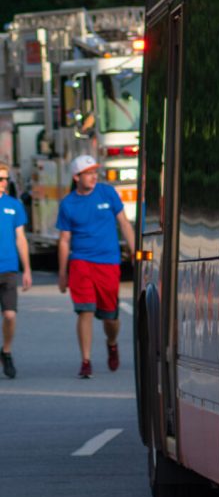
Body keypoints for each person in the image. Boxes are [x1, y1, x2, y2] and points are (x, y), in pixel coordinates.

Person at [56, 154, 135, 378]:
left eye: (94, 172)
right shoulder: (68, 203)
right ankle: (86, 360)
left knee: (111, 317)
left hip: (108, 262)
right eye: (88, 173)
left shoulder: (107, 193)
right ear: (76, 177)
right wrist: (63, 273)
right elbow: (64, 240)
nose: (93, 176)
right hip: (80, 261)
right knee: (85, 310)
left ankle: (111, 343)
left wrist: (135, 251)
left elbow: (124, 223)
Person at [0, 163, 32, 378]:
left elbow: (21, 238)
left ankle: (7, 351)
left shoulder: (14, 205)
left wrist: (27, 269)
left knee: (10, 315)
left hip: (9, 268)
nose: (2, 182)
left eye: (4, 178)